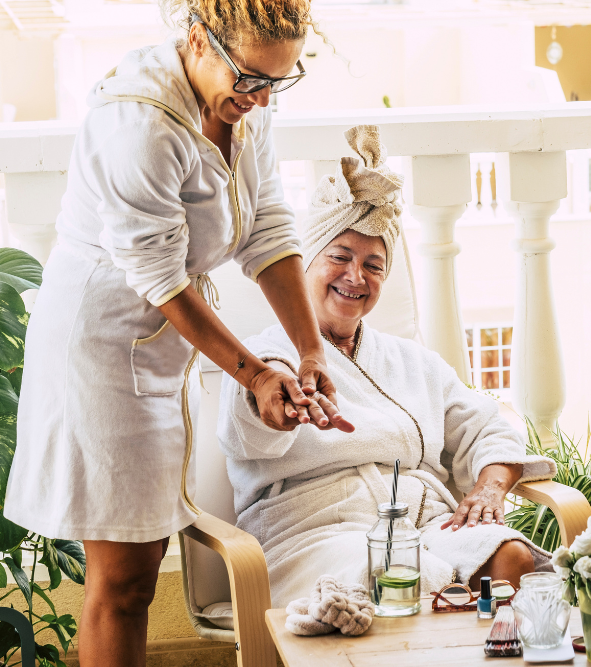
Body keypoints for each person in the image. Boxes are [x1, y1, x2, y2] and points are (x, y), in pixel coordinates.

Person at [3, 2, 351, 665]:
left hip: (160, 348)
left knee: (142, 559)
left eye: (279, 81)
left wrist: (310, 349)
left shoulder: (246, 102)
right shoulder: (136, 125)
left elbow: (269, 226)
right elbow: (160, 279)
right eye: (251, 78)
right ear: (198, 40)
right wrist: (254, 373)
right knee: (124, 577)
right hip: (100, 351)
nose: (261, 97)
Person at [218, 124, 555, 609]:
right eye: (340, 257)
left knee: (512, 560)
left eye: (374, 266)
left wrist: (488, 488)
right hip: (315, 535)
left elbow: (487, 426)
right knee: (402, 581)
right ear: (306, 263)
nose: (356, 277)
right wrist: (276, 401)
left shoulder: (413, 361)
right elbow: (248, 419)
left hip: (422, 524)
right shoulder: (266, 356)